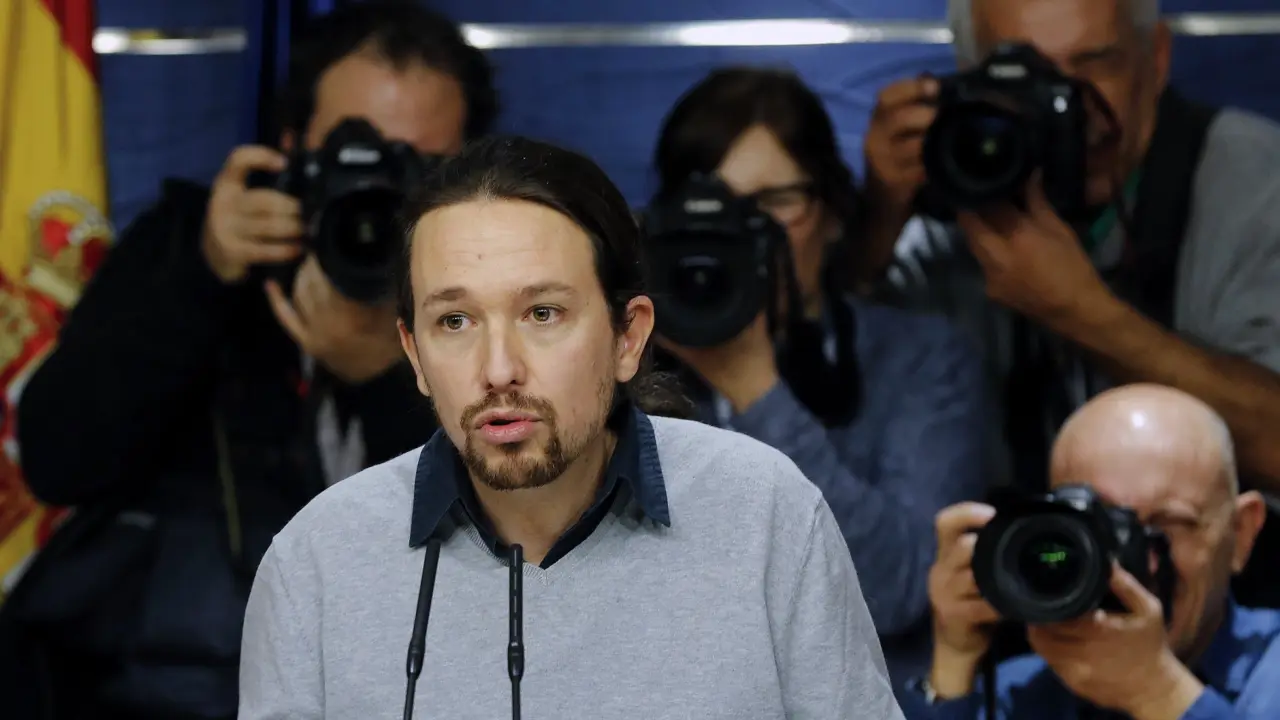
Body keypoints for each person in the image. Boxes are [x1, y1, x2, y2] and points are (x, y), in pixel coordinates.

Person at [238, 136, 905, 719]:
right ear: (414, 355)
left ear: (628, 336)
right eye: (455, 322)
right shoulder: (316, 563)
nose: (499, 370)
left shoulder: (765, 514)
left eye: (543, 314)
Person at [7, 3, 496, 718]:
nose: (380, 192)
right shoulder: (197, 246)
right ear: (292, 148)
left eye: (418, 166)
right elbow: (58, 460)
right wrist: (201, 273)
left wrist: (385, 381)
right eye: (353, 149)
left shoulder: (500, 296)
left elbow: (509, 548)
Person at [857, 0, 1280, 605]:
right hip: (998, 601)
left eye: (1095, 63)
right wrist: (874, 224)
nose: (1066, 102)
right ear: (971, 76)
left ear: (1157, 59)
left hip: (1224, 609)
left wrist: (1080, 312)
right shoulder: (956, 180)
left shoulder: (1254, 184)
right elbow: (843, 395)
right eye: (1023, 70)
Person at [649, 66, 988, 698]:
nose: (745, 236)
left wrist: (754, 386)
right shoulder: (624, 374)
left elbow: (899, 591)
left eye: (774, 204)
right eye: (718, 209)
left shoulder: (921, 358)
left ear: (832, 214)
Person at [913, 384, 1278, 719]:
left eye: (1170, 525)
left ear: (1241, 532)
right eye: (1103, 528)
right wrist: (953, 663)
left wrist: (1158, 691)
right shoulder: (1021, 692)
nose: (1141, 565)